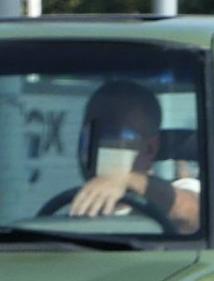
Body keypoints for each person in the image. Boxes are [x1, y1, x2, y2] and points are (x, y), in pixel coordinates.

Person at [68, 80, 199, 233]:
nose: (95, 144)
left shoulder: (179, 192)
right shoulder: (71, 214)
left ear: (150, 148)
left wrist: (127, 179)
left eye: (112, 134)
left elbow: (189, 212)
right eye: (90, 132)